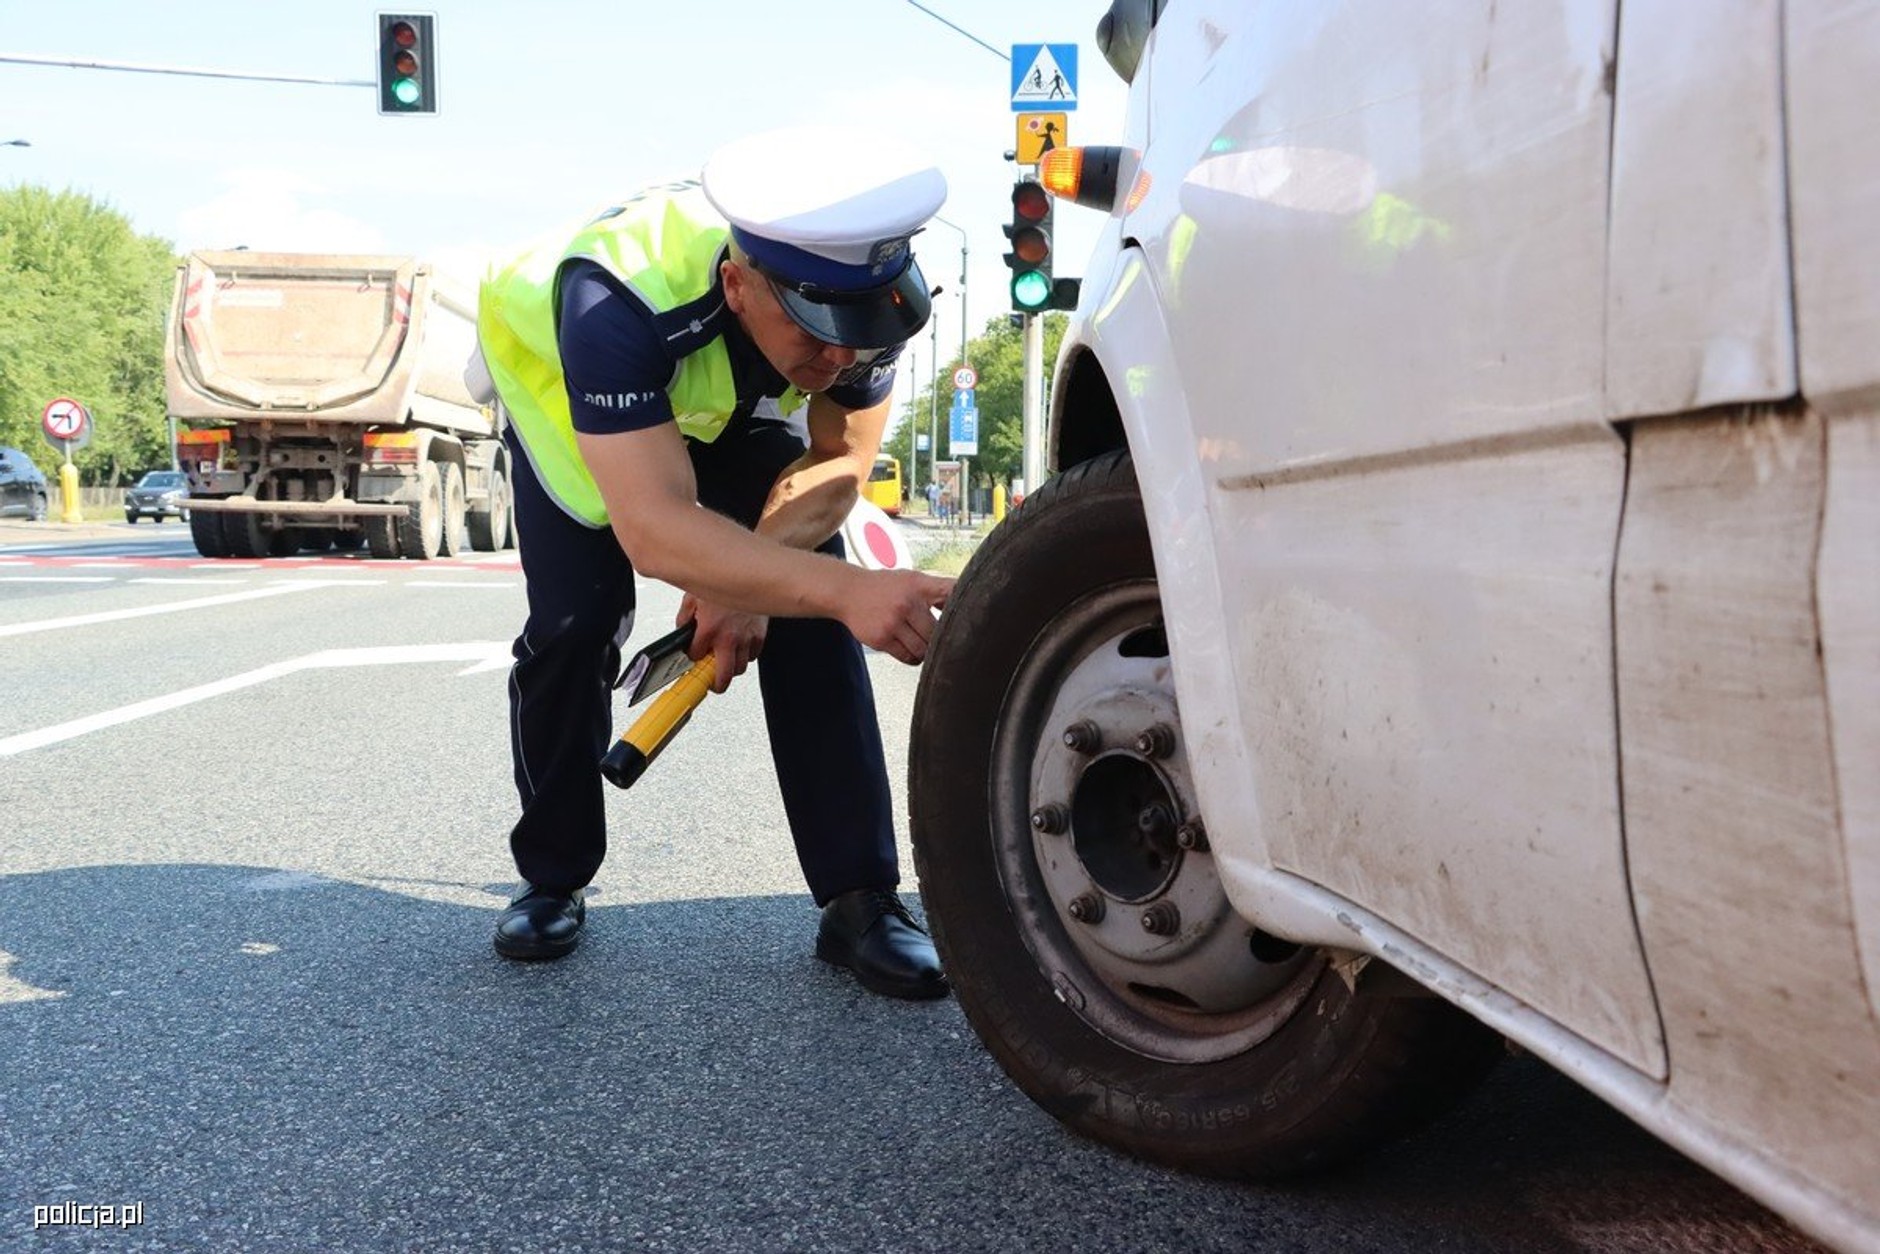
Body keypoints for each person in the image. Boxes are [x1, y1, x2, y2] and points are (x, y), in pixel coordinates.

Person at [474, 127, 954, 999]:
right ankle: (552, 876)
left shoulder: (859, 294)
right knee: (576, 624)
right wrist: (840, 591)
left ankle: (860, 900)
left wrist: (762, 582)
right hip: (575, 409)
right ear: (738, 284)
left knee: (806, 587)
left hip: (725, 398)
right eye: (819, 332)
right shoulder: (610, 295)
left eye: (861, 330)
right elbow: (654, 526)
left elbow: (839, 462)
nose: (842, 358)